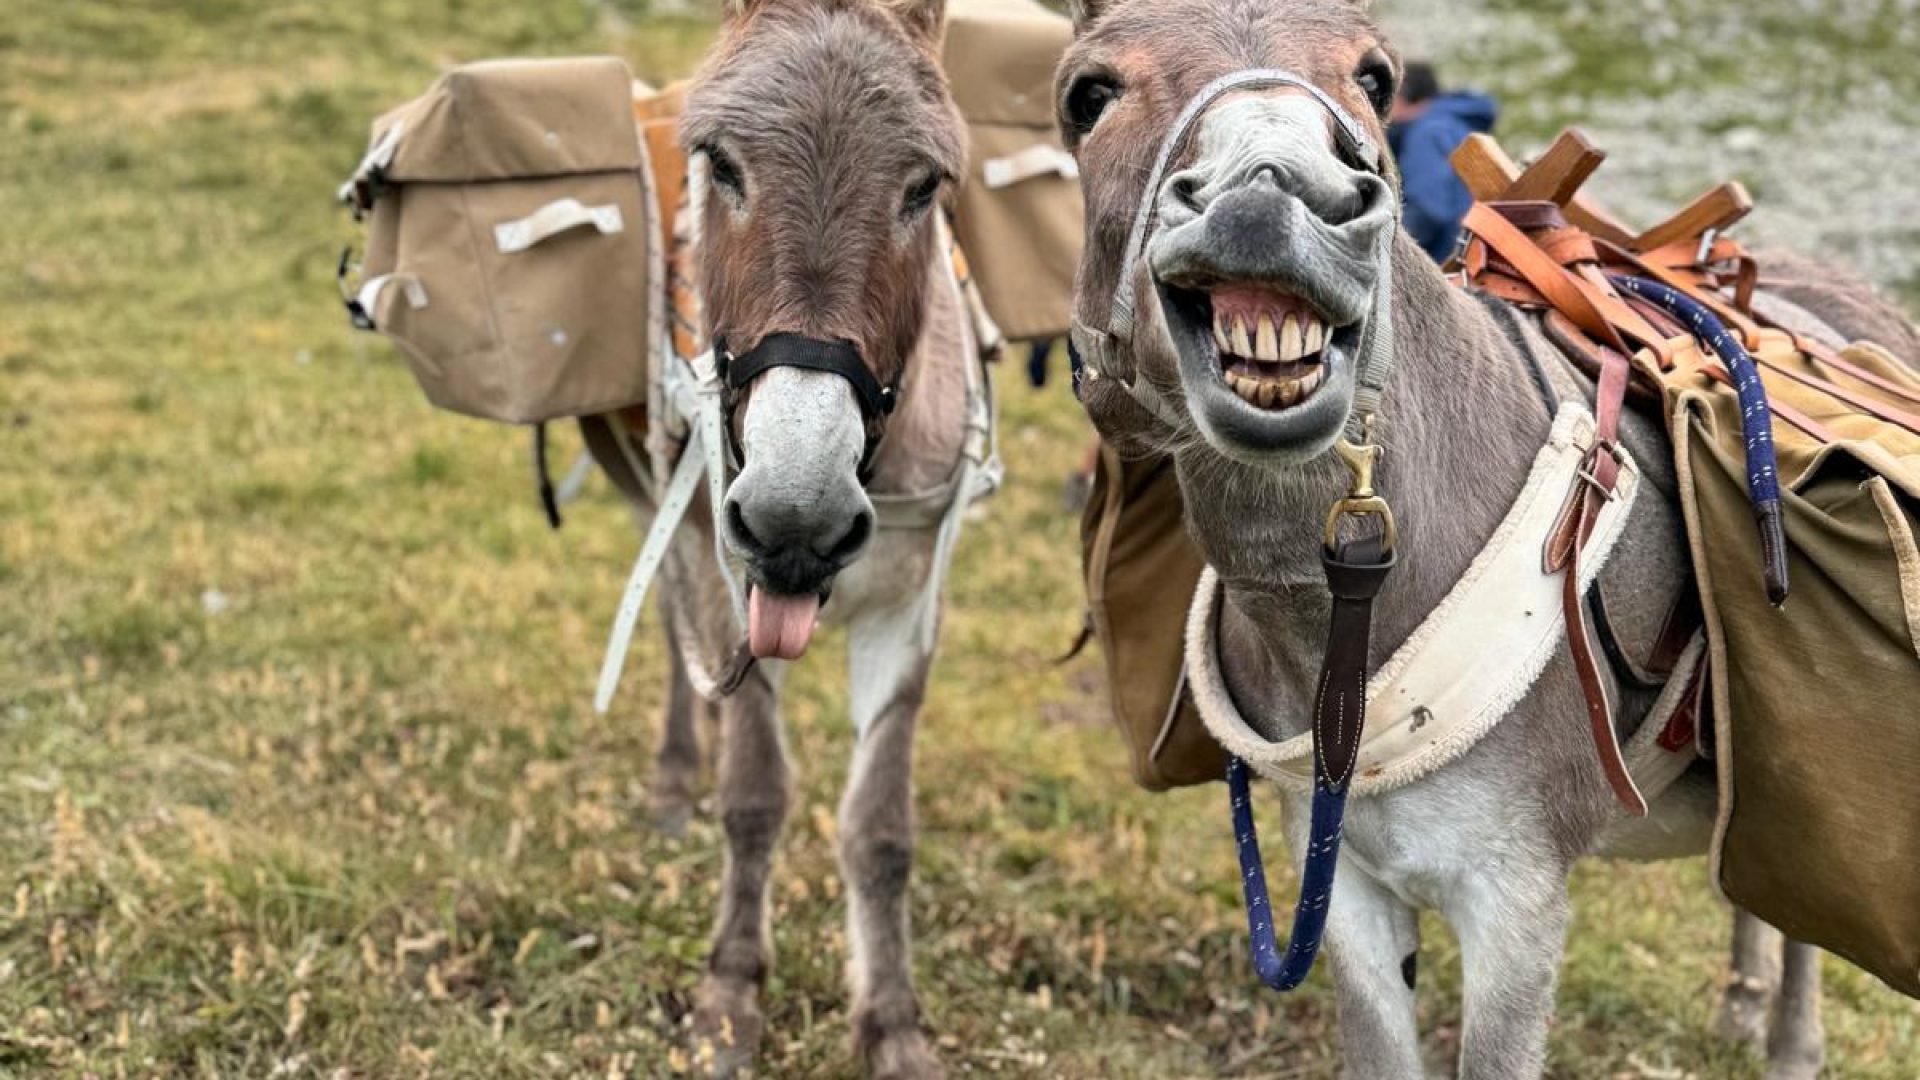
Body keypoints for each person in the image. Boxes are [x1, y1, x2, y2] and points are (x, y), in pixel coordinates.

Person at [1389, 62, 1498, 263]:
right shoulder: (1455, 125)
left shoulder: (1426, 133)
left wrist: (1384, 250)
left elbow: (1428, 210)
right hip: (1479, 256)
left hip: (1452, 267)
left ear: (1404, 96)